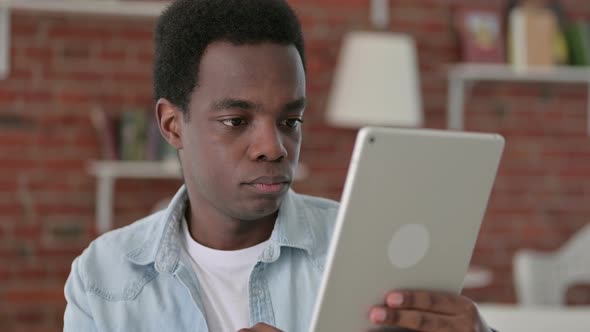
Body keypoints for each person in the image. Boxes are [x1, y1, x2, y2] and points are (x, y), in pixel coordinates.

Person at [64, 0, 496, 331]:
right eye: (237, 121)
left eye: (291, 121)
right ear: (173, 125)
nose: (274, 147)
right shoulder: (104, 278)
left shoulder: (365, 255)